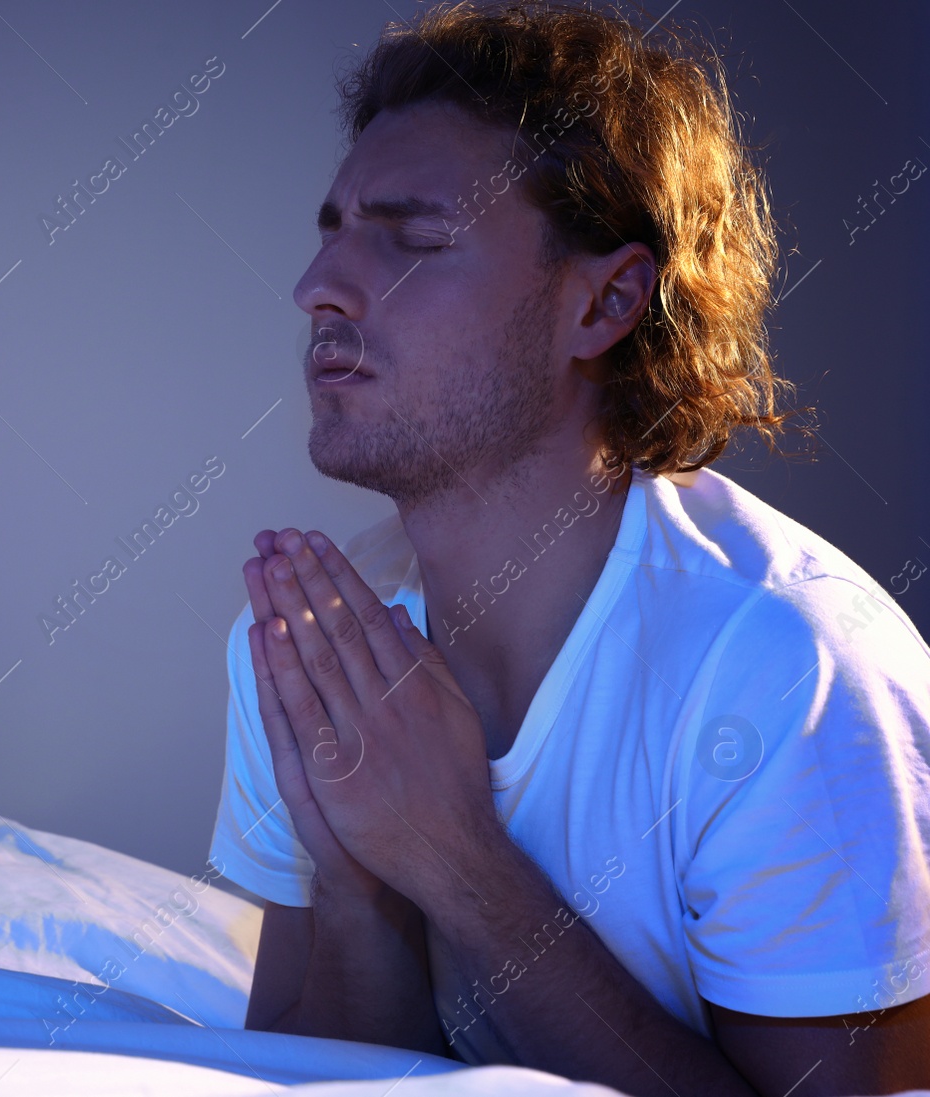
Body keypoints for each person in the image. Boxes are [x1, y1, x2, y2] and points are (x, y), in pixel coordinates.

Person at [206, 3, 930, 1095]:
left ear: (604, 300)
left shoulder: (791, 669)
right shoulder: (323, 647)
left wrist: (453, 858)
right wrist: (359, 879)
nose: (320, 287)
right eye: (333, 228)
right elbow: (308, 1071)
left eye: (412, 236)